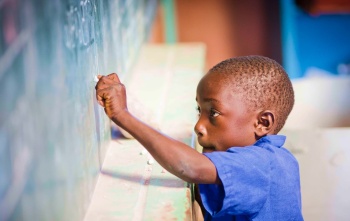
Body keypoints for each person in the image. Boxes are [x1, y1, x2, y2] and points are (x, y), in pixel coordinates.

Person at [95, 55, 303, 221]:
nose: (198, 126)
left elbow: (190, 167)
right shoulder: (248, 158)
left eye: (213, 113)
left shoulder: (265, 165)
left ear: (262, 123)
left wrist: (122, 115)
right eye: (199, 110)